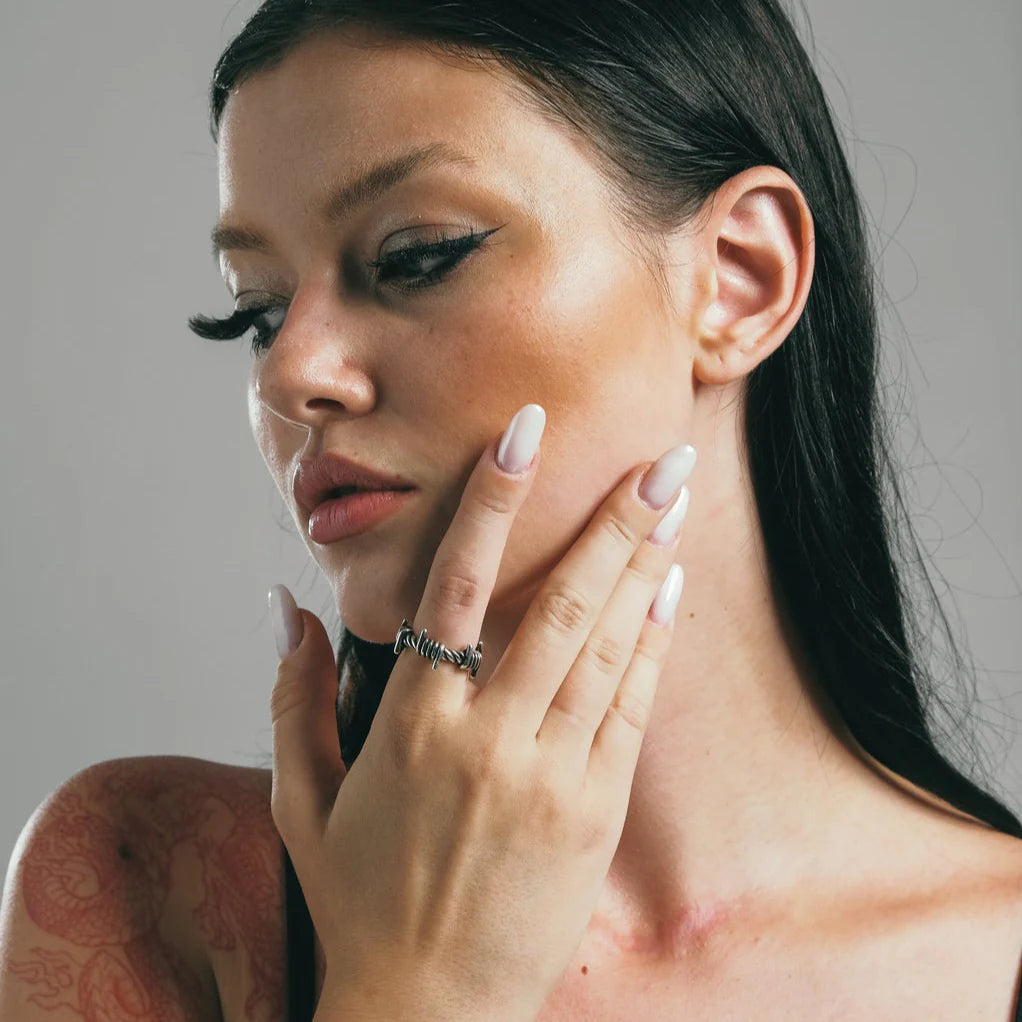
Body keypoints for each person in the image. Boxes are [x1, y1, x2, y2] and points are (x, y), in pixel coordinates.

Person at [2, 1, 1021, 1018]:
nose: (291, 372)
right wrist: (418, 988)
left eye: (416, 254)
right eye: (256, 312)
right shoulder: (157, 887)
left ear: (738, 279)